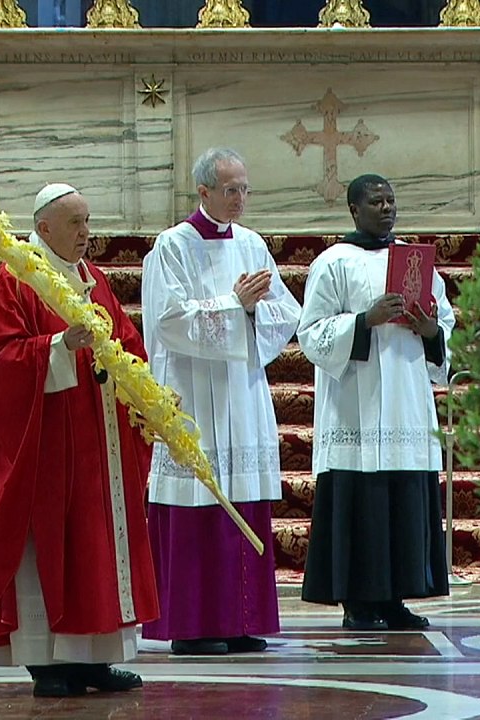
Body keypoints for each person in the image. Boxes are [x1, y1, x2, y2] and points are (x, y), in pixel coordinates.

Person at [0, 183, 158, 697]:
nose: (86, 234)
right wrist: (57, 345)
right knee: (51, 546)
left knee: (94, 546)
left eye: (88, 222)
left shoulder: (93, 278)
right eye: (75, 224)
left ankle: (94, 658)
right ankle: (46, 660)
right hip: (47, 448)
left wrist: (146, 394)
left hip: (98, 445)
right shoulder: (15, 282)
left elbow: (126, 342)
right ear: (44, 228)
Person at [141, 147, 301, 655]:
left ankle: (240, 620)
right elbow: (168, 321)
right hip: (192, 394)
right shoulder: (172, 246)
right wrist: (235, 305)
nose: (239, 200)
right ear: (204, 191)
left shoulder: (253, 245)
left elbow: (285, 312)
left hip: (242, 392)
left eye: (245, 190)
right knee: (197, 504)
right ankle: (191, 627)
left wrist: (253, 313)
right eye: (230, 191)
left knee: (242, 500)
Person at [298, 174, 453, 631]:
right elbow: (310, 333)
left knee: (403, 498)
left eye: (390, 201)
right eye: (375, 202)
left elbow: (444, 321)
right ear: (354, 210)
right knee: (360, 500)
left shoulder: (417, 262)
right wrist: (364, 321)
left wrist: (430, 331)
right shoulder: (332, 262)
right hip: (356, 400)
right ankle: (358, 603)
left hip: (405, 397)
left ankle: (396, 600)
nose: (386, 209)